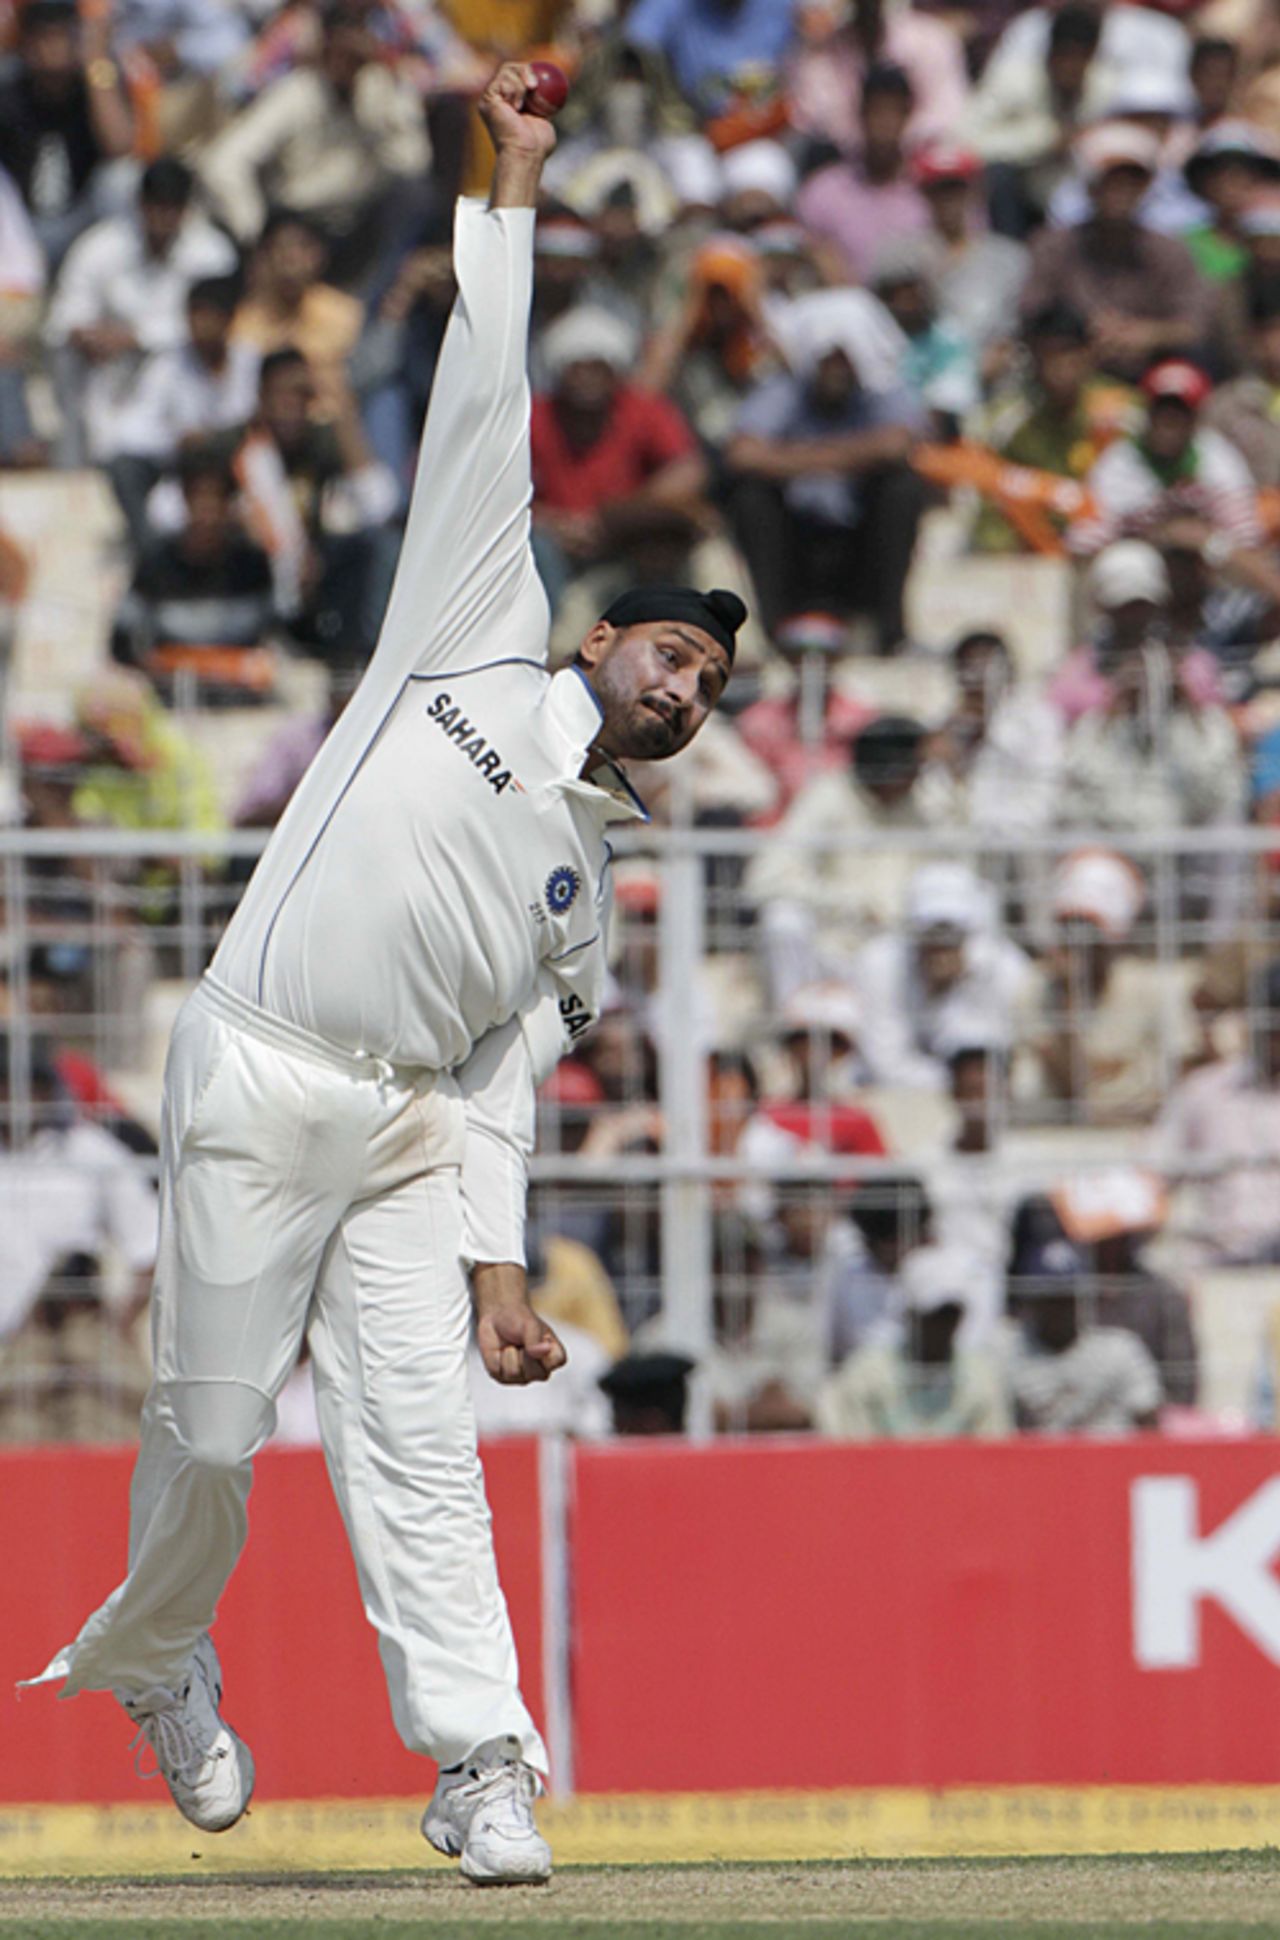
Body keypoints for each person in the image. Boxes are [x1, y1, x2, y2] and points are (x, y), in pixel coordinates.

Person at [24, 66, 747, 1889]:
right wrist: (513, 179)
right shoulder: (474, 628)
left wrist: (501, 1269)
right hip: (260, 1066)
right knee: (211, 1436)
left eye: (708, 687)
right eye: (671, 653)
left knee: (423, 1446)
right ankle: (158, 1658)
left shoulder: (591, 886)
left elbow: (500, 1077)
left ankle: (484, 1765)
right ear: (605, 634)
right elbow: (486, 396)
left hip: (413, 1134)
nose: (682, 689)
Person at [725, 287, 927, 649]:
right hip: (797, 539)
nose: (836, 370)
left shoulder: (880, 387)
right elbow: (742, 453)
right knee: (749, 497)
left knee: (902, 488)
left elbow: (897, 445)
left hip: (859, 539)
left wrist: (796, 457)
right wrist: (849, 457)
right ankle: (773, 631)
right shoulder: (786, 389)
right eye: (827, 359)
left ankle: (888, 631)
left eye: (844, 359)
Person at [45, 156, 239, 468]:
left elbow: (218, 325)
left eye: (172, 208)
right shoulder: (100, 246)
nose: (163, 217)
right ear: (140, 204)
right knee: (67, 357)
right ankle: (77, 464)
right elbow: (66, 315)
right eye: (156, 206)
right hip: (108, 371)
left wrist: (137, 338)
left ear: (186, 209)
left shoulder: (212, 253)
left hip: (182, 368)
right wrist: (88, 335)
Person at [1019, 123, 1212, 384]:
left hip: (1151, 380)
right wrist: (1083, 329)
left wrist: (1147, 334)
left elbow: (1194, 326)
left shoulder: (1170, 251)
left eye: (1132, 181)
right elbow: (1031, 310)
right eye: (1109, 180)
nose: (1120, 190)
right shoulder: (1053, 246)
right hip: (1069, 378)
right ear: (1089, 186)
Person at [816, 1242, 1011, 1439]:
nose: (942, 1325)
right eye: (932, 1316)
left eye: (950, 1314)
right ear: (908, 1314)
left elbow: (993, 1448)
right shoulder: (866, 1376)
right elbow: (853, 1448)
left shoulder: (981, 1378)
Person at [1007, 1196, 1163, 1433]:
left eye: (1067, 1299)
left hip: (1111, 1453)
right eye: (1049, 1300)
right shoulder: (1008, 1353)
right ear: (1032, 1302)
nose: (1059, 1310)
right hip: (1039, 1455)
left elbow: (1150, 1423)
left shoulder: (1119, 1350)